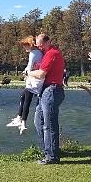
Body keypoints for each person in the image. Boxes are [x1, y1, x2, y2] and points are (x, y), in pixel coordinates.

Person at [27, 33, 65, 165]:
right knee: (39, 121)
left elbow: (41, 74)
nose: (40, 48)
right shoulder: (47, 54)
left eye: (41, 45)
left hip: (52, 90)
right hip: (46, 90)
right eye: (38, 46)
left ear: (48, 42)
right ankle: (47, 151)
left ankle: (52, 156)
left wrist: (27, 73)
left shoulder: (52, 54)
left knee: (49, 124)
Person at [6, 36, 44, 135]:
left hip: (34, 80)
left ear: (29, 45)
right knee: (23, 97)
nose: (24, 48)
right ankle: (19, 118)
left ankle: (23, 123)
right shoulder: (39, 52)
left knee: (26, 100)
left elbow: (30, 66)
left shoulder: (33, 53)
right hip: (37, 79)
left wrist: (24, 73)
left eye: (25, 46)